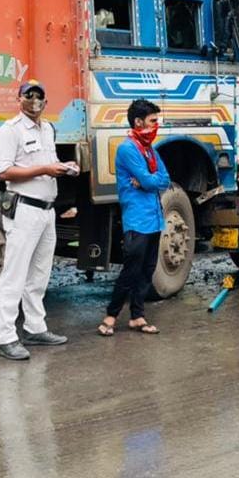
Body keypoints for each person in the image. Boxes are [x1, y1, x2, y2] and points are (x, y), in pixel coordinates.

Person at [0, 79, 78, 361]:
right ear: (19, 99)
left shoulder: (48, 129)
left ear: (45, 102)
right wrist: (44, 168)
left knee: (39, 274)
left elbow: (49, 163)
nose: (34, 101)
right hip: (24, 209)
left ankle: (35, 327)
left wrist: (66, 168)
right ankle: (7, 338)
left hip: (46, 210)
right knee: (14, 275)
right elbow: (4, 172)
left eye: (39, 97)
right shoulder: (10, 131)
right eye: (28, 96)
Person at [98, 99, 171, 336]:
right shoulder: (128, 149)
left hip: (155, 219)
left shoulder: (150, 150)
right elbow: (152, 181)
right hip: (137, 220)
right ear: (138, 122)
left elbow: (165, 179)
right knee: (131, 270)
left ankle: (138, 316)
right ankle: (110, 316)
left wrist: (150, 181)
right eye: (152, 121)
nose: (155, 126)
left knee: (147, 269)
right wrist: (150, 181)